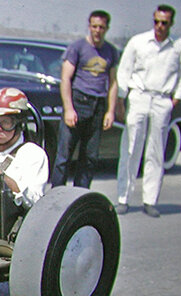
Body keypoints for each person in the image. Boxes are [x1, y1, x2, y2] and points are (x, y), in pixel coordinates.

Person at [116, 4, 181, 217]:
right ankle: (123, 198)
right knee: (131, 147)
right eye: (156, 22)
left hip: (162, 100)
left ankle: (150, 200)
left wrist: (176, 98)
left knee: (155, 151)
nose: (160, 26)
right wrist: (122, 97)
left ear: (171, 24)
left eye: (164, 23)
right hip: (139, 96)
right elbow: (124, 70)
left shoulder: (179, 46)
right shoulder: (138, 42)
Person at [50, 10, 118, 189]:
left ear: (107, 28)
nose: (97, 30)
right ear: (89, 26)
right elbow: (65, 79)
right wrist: (69, 109)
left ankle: (80, 195)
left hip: (97, 106)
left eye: (101, 27)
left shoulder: (110, 51)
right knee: (64, 156)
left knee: (89, 157)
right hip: (78, 102)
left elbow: (113, 82)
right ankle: (56, 195)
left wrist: (110, 111)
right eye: (94, 26)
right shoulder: (77, 47)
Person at [0, 87, 49, 209]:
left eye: (6, 123)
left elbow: (33, 202)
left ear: (19, 124)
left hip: (8, 219)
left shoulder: (33, 155)